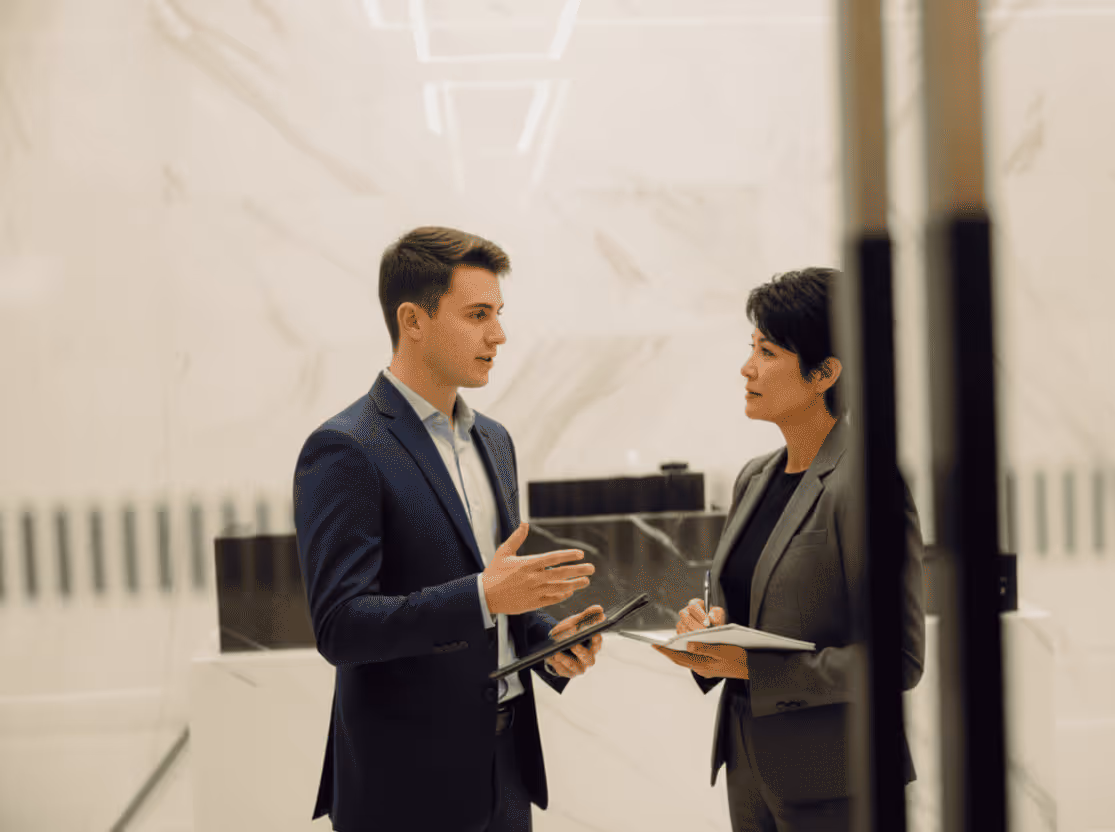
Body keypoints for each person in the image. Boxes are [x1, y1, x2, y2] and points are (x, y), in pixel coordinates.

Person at [293, 226, 604, 832]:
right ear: (413, 319)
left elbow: (495, 598)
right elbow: (341, 627)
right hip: (403, 787)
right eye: (477, 314)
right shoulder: (344, 449)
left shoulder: (495, 440)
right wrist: (485, 597)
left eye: (499, 313)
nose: (499, 333)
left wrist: (545, 641)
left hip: (507, 770)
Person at [654, 267, 926, 832]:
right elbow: (750, 615)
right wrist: (706, 634)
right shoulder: (754, 479)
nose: (748, 368)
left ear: (825, 373)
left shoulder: (867, 481)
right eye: (752, 348)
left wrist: (752, 667)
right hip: (750, 772)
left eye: (769, 352)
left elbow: (896, 660)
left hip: (842, 785)